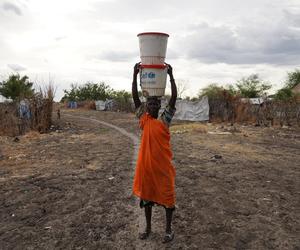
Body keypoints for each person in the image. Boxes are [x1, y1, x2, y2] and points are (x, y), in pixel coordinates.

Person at [132, 62, 177, 243]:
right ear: (146, 106)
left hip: (163, 168)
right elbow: (135, 97)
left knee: (168, 199)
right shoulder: (144, 120)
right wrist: (134, 75)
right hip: (147, 169)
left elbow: (174, 98)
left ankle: (168, 230)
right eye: (149, 103)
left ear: (159, 105)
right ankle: (148, 228)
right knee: (147, 199)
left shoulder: (164, 120)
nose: (151, 105)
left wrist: (171, 76)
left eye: (154, 103)